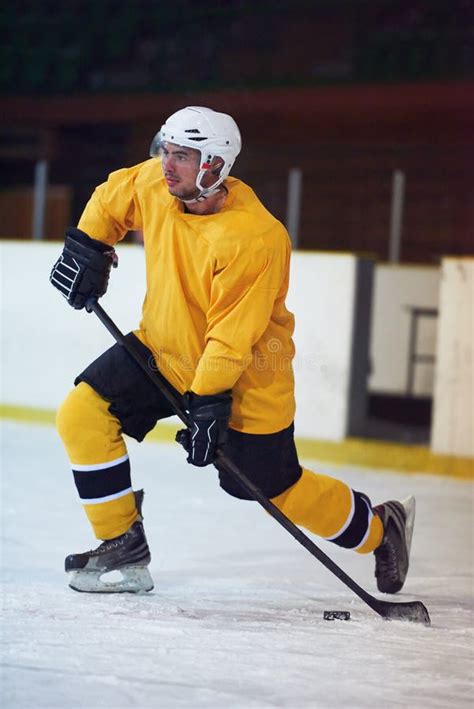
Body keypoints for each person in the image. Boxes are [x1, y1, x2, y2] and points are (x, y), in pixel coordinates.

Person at [50, 106, 415, 595]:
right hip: (163, 348)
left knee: (270, 488)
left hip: (244, 378)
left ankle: (380, 528)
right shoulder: (158, 184)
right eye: (166, 151)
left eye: (182, 156)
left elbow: (230, 338)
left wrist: (208, 403)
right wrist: (89, 246)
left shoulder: (256, 238)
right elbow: (111, 197)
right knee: (83, 415)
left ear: (215, 166)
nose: (166, 164)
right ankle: (121, 542)